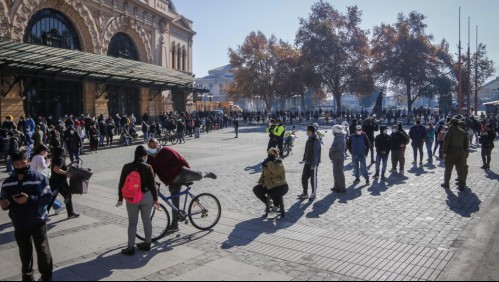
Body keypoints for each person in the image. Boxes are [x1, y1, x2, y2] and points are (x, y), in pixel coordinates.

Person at [1, 152, 53, 281]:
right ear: (13, 164)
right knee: (24, 252)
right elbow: (4, 200)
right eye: (16, 164)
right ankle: (28, 276)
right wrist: (4, 204)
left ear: (28, 161)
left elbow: (47, 197)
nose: (20, 166)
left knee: (42, 250)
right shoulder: (7, 182)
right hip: (19, 221)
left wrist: (29, 199)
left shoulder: (39, 178)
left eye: (22, 163)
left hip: (38, 220)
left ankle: (46, 276)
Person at [146, 139, 217, 233]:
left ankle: (206, 173)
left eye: (154, 146)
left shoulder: (166, 150)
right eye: (150, 147)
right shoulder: (149, 157)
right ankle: (174, 225)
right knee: (174, 204)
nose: (152, 148)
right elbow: (151, 171)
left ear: (158, 145)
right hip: (171, 181)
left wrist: (187, 166)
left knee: (198, 176)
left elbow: (179, 158)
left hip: (180, 173)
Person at [118, 146, 159, 256]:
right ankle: (147, 243)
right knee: (147, 220)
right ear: (145, 156)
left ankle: (130, 248)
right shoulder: (148, 167)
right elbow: (153, 185)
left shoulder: (127, 167)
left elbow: (121, 184)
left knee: (132, 222)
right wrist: (155, 199)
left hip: (132, 198)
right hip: (147, 196)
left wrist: (120, 198)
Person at [253, 147, 288, 215]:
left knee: (274, 192)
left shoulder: (278, 162)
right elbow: (264, 174)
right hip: (269, 185)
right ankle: (268, 203)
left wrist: (269, 162)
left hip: (280, 186)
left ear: (275, 154)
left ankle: (276, 206)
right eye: (268, 153)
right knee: (256, 189)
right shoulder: (266, 162)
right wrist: (261, 180)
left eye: (271, 153)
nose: (269, 154)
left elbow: (275, 172)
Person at [47, 147, 80, 219]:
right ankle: (70, 213)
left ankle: (43, 215)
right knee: (67, 196)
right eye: (64, 150)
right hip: (60, 183)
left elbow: (58, 168)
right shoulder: (60, 159)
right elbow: (56, 169)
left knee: (51, 198)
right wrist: (66, 173)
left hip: (54, 182)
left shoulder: (55, 158)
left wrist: (68, 165)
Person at [441, 118, 469, 191]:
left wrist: (444, 152)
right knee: (460, 169)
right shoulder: (463, 132)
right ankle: (462, 184)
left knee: (448, 169)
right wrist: (464, 151)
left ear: (451, 124)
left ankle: (446, 183)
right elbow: (466, 143)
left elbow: (446, 143)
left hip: (451, 152)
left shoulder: (449, 131)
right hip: (461, 152)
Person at [298, 125, 321, 200]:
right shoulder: (309, 139)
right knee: (304, 178)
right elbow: (306, 150)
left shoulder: (316, 140)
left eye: (309, 132)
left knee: (313, 179)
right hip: (307, 162)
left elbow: (316, 153)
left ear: (313, 132)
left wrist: (314, 164)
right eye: (307, 131)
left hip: (313, 163)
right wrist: (304, 159)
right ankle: (305, 193)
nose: (308, 133)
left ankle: (313, 193)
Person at [330, 125, 347, 193]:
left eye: (333, 130)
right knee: (336, 172)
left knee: (339, 173)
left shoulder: (339, 137)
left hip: (339, 157)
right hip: (336, 157)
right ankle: (337, 187)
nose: (333, 132)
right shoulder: (338, 136)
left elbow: (339, 147)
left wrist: (331, 149)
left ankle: (342, 188)